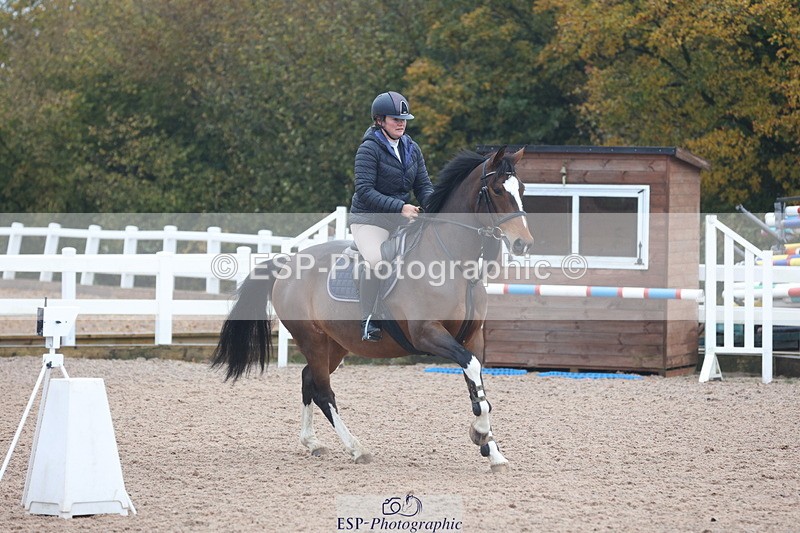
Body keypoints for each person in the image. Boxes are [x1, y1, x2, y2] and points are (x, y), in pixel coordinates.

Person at [349, 91, 434, 342]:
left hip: (400, 219)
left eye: (404, 119)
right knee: (377, 261)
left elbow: (423, 186)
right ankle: (368, 319)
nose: (401, 123)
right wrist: (400, 208)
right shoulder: (368, 149)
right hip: (369, 219)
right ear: (379, 120)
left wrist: (435, 206)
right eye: (395, 119)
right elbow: (364, 191)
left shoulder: (412, 148)